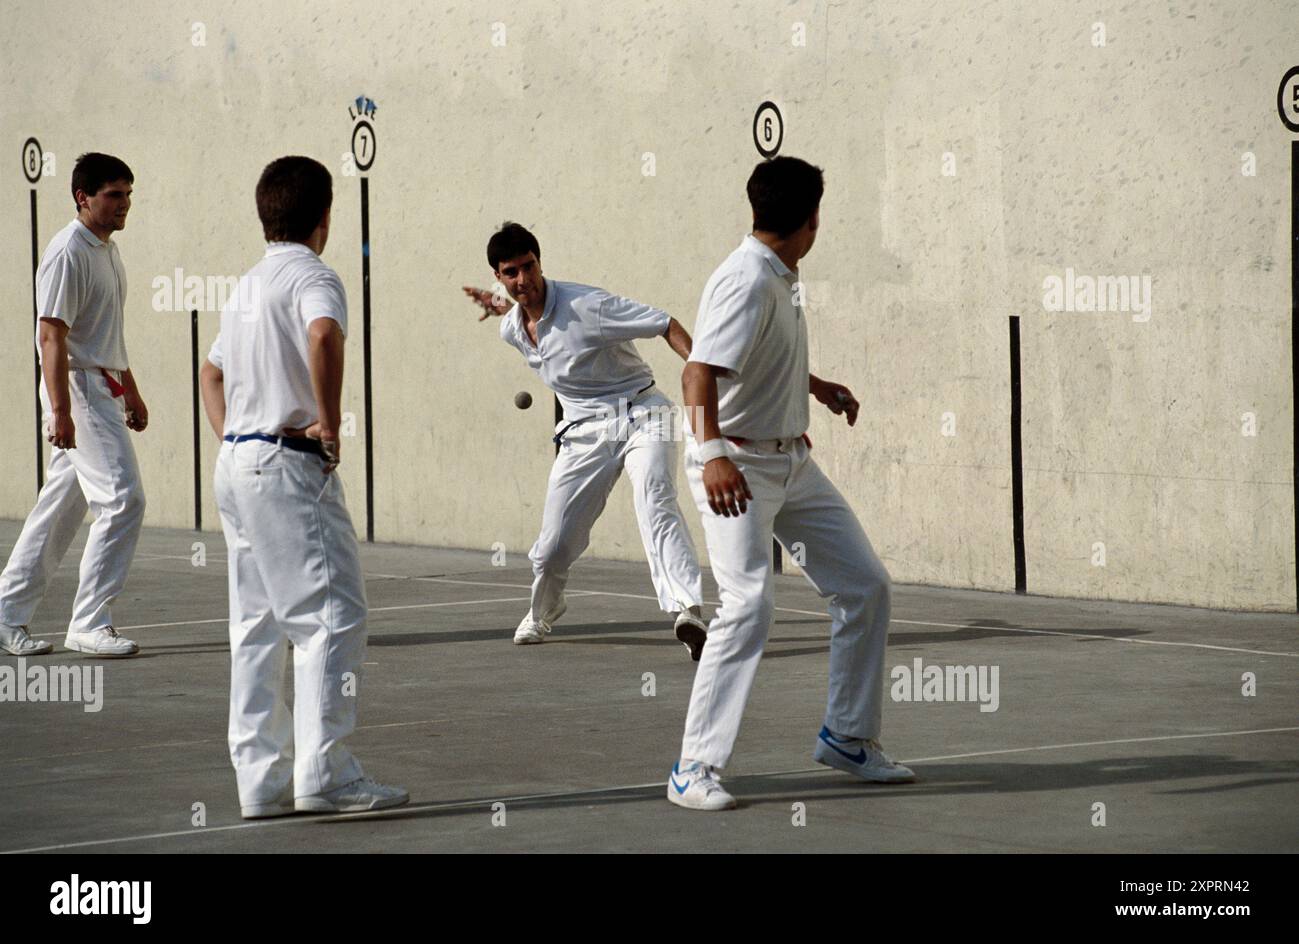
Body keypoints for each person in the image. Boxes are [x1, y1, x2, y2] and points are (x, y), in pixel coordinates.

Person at [667, 157, 915, 811]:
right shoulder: (746, 279)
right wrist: (713, 453)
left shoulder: (780, 276)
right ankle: (693, 767)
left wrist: (815, 388)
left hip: (792, 463)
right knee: (748, 605)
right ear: (812, 221)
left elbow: (758, 356)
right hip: (738, 469)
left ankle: (847, 736)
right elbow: (697, 374)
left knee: (865, 585)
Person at [199, 156, 407, 818]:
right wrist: (328, 422)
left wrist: (238, 439)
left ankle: (260, 781)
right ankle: (327, 774)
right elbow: (323, 336)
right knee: (332, 618)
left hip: (236, 465)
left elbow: (211, 376)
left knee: (257, 626)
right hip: (286, 465)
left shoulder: (246, 286)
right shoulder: (316, 276)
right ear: (324, 218)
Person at [462, 222, 710, 658]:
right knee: (555, 543)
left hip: (642, 413)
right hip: (582, 432)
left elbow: (664, 322)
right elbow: (524, 314)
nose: (525, 280)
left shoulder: (588, 305)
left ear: (540, 262)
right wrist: (501, 305)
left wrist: (704, 370)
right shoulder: (512, 330)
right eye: (511, 272)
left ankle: (687, 609)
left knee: (655, 497)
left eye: (529, 266)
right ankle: (543, 611)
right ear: (498, 276)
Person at [0, 153, 147, 658]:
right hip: (78, 390)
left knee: (60, 506)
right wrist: (60, 410)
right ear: (83, 197)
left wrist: (130, 388)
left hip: (101, 386)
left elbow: (104, 331)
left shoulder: (107, 250)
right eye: (113, 195)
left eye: (128, 194)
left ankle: (5, 613)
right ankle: (89, 623)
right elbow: (51, 335)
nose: (124, 204)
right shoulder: (68, 251)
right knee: (123, 499)